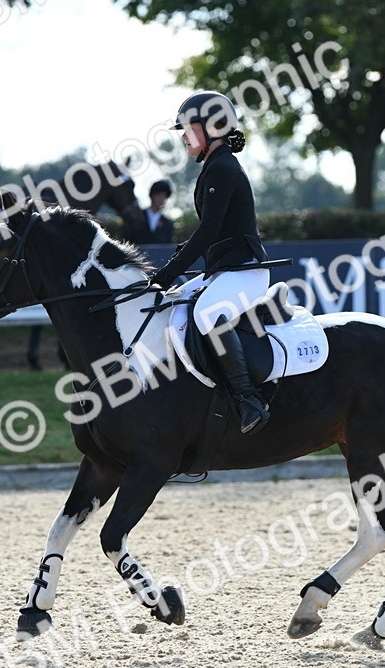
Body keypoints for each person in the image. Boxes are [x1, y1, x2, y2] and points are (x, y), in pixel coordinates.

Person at [148, 91, 271, 434]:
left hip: (246, 272)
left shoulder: (222, 168)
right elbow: (213, 233)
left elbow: (208, 231)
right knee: (173, 306)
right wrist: (173, 266)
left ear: (213, 127)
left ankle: (249, 400)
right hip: (226, 270)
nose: (183, 136)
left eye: (189, 128)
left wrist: (169, 272)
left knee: (205, 314)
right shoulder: (215, 166)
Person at [125, 180, 175, 244]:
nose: (161, 199)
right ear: (151, 195)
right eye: (158, 195)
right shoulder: (136, 218)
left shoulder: (168, 224)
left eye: (164, 196)